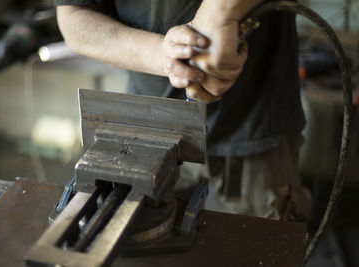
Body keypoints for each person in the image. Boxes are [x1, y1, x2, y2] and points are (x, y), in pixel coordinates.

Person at [55, 0, 311, 221]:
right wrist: (168, 56)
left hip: (252, 129)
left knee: (249, 248)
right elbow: (74, 16)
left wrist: (219, 13)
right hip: (147, 132)